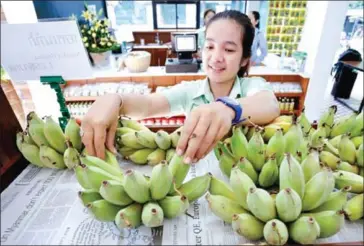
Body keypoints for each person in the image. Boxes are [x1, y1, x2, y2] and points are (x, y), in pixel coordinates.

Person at [81, 10, 280, 165]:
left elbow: (269, 103)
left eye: (228, 49)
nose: (216, 57)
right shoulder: (191, 92)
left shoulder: (251, 86)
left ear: (245, 59)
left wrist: (228, 108)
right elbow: (148, 104)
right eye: (210, 47)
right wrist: (115, 99)